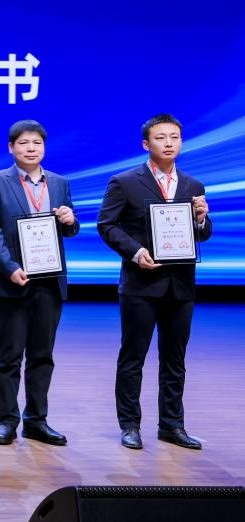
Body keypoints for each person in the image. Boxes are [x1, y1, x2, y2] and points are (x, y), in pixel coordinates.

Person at [97, 113, 211, 450]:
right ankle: (130, 425)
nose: (169, 143)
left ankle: (172, 425)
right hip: (140, 283)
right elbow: (107, 225)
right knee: (133, 357)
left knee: (175, 359)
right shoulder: (125, 181)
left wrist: (201, 220)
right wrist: (135, 252)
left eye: (174, 137)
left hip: (181, 284)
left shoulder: (193, 185)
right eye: (161, 138)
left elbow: (202, 233)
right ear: (146, 144)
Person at [0, 120, 79, 447]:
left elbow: (69, 228)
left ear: (44, 147)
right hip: (12, 282)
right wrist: (9, 266)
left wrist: (70, 220)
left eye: (37, 143)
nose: (31, 148)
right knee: (8, 357)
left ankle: (36, 420)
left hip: (49, 282)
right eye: (23, 143)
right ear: (11, 148)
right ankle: (6, 421)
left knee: (42, 356)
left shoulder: (60, 182)